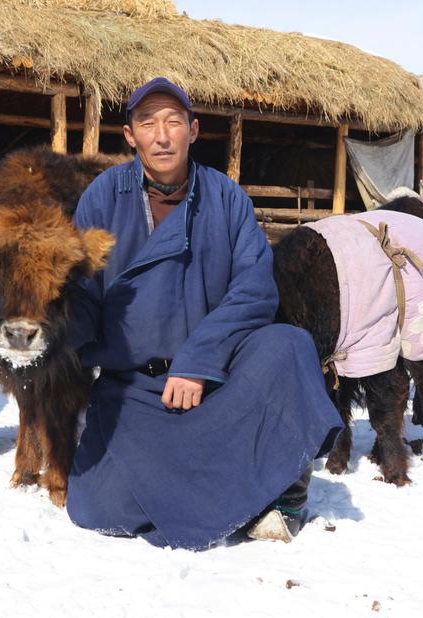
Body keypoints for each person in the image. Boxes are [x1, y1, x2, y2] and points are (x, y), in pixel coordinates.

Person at [66, 76, 343, 550]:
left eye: (173, 122)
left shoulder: (226, 197)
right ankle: (240, 488)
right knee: (94, 507)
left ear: (193, 131)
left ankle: (288, 492)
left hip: (217, 377)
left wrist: (199, 360)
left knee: (289, 345)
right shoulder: (102, 197)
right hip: (136, 386)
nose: (161, 134)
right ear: (130, 135)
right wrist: (52, 328)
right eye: (147, 123)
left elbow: (255, 289)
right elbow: (83, 293)